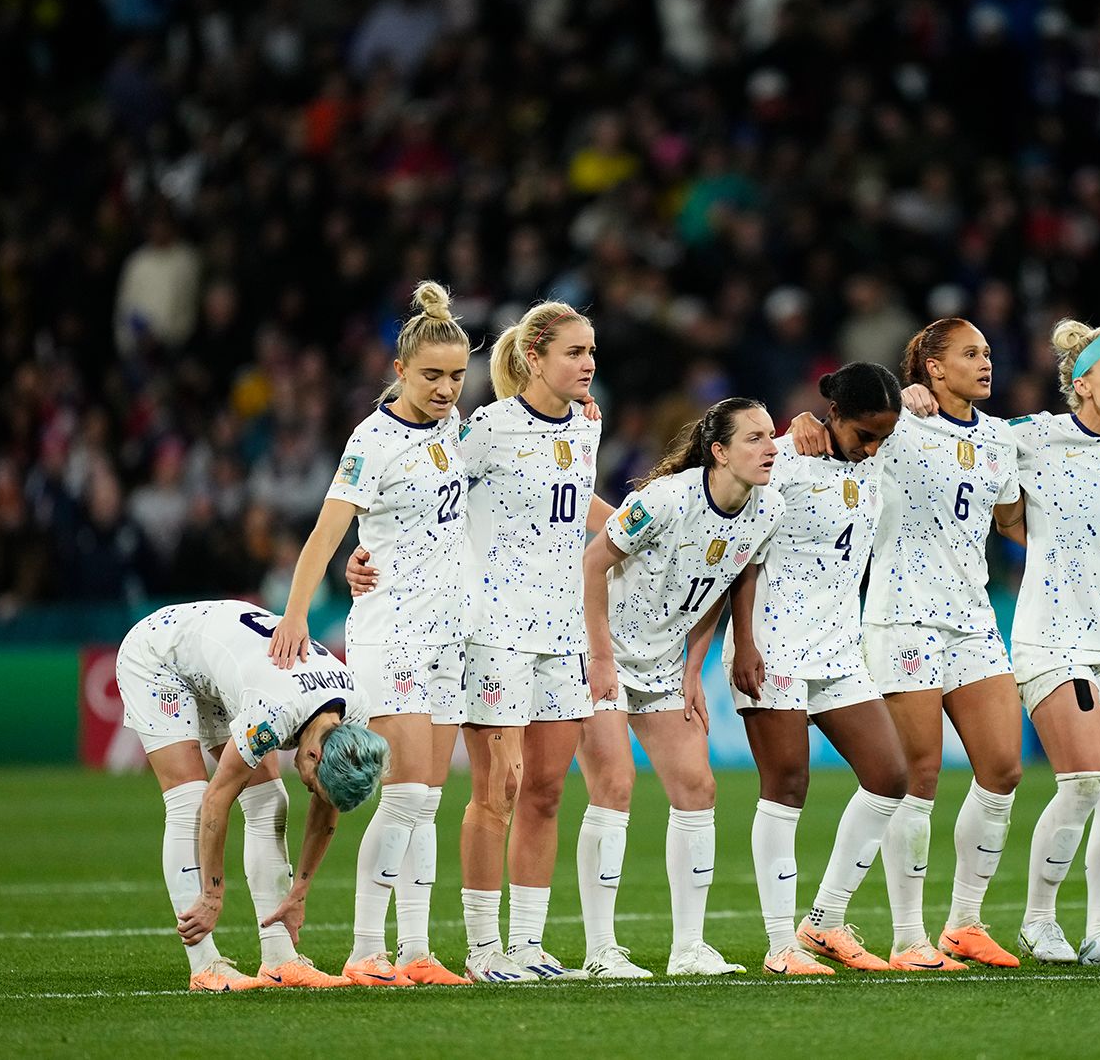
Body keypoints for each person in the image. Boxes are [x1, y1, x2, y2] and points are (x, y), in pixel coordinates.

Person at [350, 302, 616, 980]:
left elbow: (574, 495)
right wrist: (364, 550)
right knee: (501, 784)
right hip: (493, 626)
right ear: (534, 357)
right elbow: (417, 487)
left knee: (548, 790)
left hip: (563, 627)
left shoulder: (589, 425)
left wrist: (629, 524)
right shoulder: (484, 429)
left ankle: (527, 943)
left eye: (592, 352)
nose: (588, 364)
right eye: (575, 352)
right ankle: (482, 947)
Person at [796, 318, 1024, 971]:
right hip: (904, 615)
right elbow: (836, 427)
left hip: (973, 616)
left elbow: (1007, 516)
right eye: (969, 353)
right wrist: (808, 424)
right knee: (918, 775)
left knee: (1003, 767)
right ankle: (907, 936)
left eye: (987, 351)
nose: (985, 362)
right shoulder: (899, 425)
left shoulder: (1000, 440)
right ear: (931, 366)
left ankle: (965, 923)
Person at [271, 281, 473, 986]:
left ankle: (416, 949)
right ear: (399, 372)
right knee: (405, 793)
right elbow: (328, 532)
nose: (447, 388)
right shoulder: (373, 439)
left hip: (453, 632)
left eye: (455, 375)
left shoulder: (453, 426)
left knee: (430, 799)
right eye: (432, 376)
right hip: (395, 629)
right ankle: (364, 949)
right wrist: (298, 614)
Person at [977, 320, 1100, 966]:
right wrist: (917, 402)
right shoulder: (1033, 436)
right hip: (1053, 633)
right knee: (1082, 780)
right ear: (1081, 384)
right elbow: (979, 459)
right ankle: (1036, 921)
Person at [583, 397, 785, 975]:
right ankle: (600, 951)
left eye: (771, 436)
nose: (770, 447)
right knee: (614, 785)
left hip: (665, 664)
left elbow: (720, 582)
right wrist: (599, 658)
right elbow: (593, 565)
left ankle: (688, 949)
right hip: (601, 653)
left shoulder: (765, 511)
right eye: (754, 438)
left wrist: (694, 667)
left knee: (698, 788)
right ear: (718, 452)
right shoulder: (664, 502)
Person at [722, 362, 908, 974]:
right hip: (772, 642)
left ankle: (825, 921)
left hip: (838, 646)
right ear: (835, 416)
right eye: (865, 434)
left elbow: (929, 394)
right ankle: (780, 947)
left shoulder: (873, 455)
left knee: (889, 776)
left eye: (884, 435)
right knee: (788, 787)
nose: (875, 447)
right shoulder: (784, 461)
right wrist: (743, 641)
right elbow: (744, 555)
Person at [118, 599, 388, 991]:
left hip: (223, 663)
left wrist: (300, 892)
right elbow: (217, 799)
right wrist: (213, 893)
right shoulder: (272, 715)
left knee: (269, 801)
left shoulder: (355, 715)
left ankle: (280, 960)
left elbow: (326, 808)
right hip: (160, 655)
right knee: (190, 800)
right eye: (314, 782)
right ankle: (204, 964)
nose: (310, 788)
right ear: (313, 754)